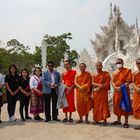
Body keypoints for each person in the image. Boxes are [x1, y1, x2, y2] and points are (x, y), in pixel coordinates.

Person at [111, 58, 133, 128]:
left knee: (125, 105)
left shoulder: (127, 71)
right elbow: (112, 81)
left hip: (124, 91)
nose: (118, 64)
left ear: (122, 63)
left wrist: (121, 87)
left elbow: (128, 81)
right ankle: (118, 120)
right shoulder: (114, 72)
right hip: (117, 91)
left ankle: (126, 122)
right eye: (117, 63)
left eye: (119, 63)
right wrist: (115, 88)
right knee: (117, 105)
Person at [132, 58, 140, 130]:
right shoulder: (134, 73)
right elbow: (133, 82)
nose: (139, 65)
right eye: (138, 63)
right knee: (137, 108)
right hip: (137, 92)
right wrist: (136, 88)